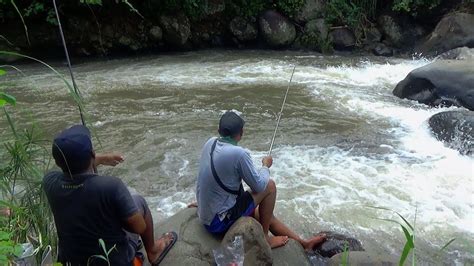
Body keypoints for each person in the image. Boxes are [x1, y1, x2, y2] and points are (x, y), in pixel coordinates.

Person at [43, 125, 177, 265]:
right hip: (113, 261)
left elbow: (71, 170)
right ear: (92, 154)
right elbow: (139, 228)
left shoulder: (49, 182)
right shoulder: (111, 186)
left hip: (72, 261)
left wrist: (99, 159)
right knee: (139, 201)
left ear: (57, 162)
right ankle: (153, 251)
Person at [195, 111, 326, 249]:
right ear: (241, 133)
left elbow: (204, 177)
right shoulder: (239, 154)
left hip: (207, 214)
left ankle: (304, 244)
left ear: (218, 131)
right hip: (218, 222)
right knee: (270, 186)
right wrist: (265, 166)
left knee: (264, 215)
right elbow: (259, 186)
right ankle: (264, 239)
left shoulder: (210, 143)